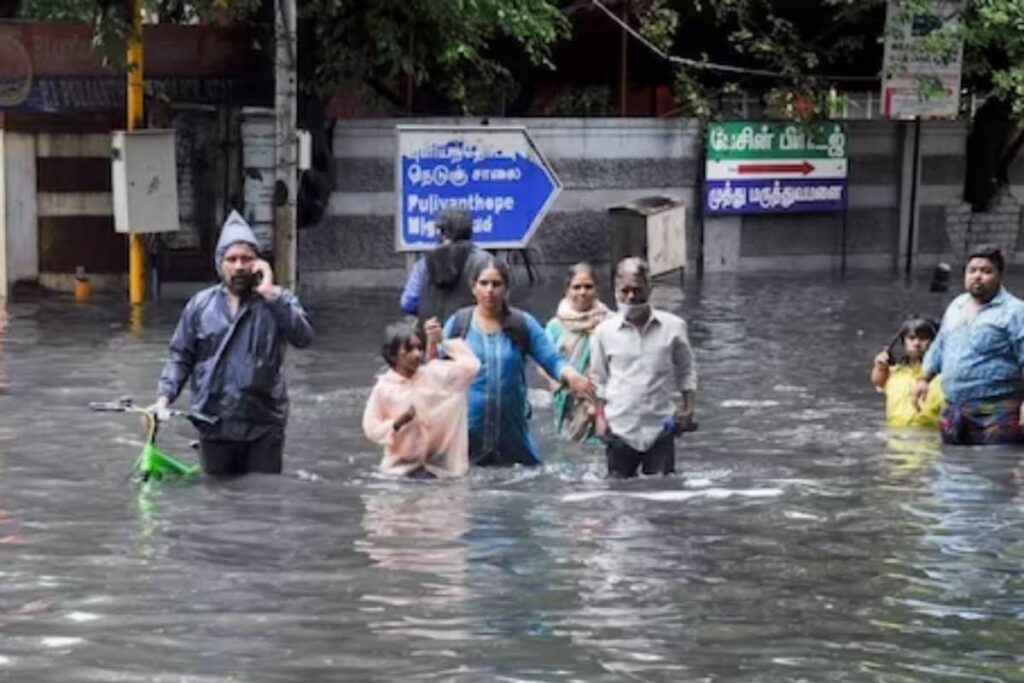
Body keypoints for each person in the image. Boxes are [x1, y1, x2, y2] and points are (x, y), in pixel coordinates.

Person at [152, 210, 314, 476]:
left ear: (258, 263)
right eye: (232, 259)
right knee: (217, 501)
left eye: (246, 259)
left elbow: (304, 337)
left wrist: (271, 294)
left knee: (261, 499)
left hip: (263, 423)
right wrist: (164, 398)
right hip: (213, 423)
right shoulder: (200, 306)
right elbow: (180, 356)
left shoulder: (278, 301)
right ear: (220, 264)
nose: (239, 266)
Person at [443, 258, 594, 467]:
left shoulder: (522, 324)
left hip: (513, 437)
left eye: (496, 284)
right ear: (473, 287)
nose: (489, 290)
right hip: (465, 435)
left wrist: (572, 376)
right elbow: (434, 371)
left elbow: (551, 359)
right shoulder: (459, 324)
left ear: (506, 288)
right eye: (484, 283)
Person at [591, 257, 697, 478]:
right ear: (616, 290)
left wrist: (688, 408)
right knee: (618, 493)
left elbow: (686, 370)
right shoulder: (604, 332)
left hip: (660, 427)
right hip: (619, 427)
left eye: (637, 290)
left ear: (649, 289)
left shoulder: (674, 327)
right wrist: (599, 418)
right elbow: (598, 379)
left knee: (661, 494)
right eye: (624, 291)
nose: (631, 297)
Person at [914, 245, 1024, 445]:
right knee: (949, 471)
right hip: (954, 412)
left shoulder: (1015, 312)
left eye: (986, 271)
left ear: (1000, 276)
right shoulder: (956, 306)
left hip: (998, 414)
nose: (978, 276)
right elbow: (939, 346)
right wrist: (923, 379)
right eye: (972, 270)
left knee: (996, 470)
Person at [362, 318, 480, 478]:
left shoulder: (432, 374)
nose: (417, 354)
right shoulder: (384, 388)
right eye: (409, 350)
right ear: (393, 354)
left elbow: (471, 367)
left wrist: (442, 341)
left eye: (419, 348)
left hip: (438, 468)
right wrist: (397, 423)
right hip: (399, 470)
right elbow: (371, 428)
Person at [543, 262, 611, 442]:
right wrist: (564, 387)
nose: (582, 292)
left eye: (588, 287)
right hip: (569, 400)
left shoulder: (611, 323)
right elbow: (543, 362)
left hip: (605, 401)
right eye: (577, 287)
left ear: (597, 290)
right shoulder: (555, 326)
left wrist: (598, 396)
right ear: (567, 290)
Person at [399, 208, 488, 323]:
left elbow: (408, 303)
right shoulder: (485, 262)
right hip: (471, 334)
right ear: (470, 232)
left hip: (433, 335)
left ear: (442, 232)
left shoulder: (424, 264)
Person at [870, 316, 944, 427]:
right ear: (903, 342)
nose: (917, 343)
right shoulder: (893, 373)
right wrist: (880, 366)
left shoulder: (942, 373)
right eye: (911, 338)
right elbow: (878, 382)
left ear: (935, 342)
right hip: (896, 437)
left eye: (923, 338)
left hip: (931, 435)